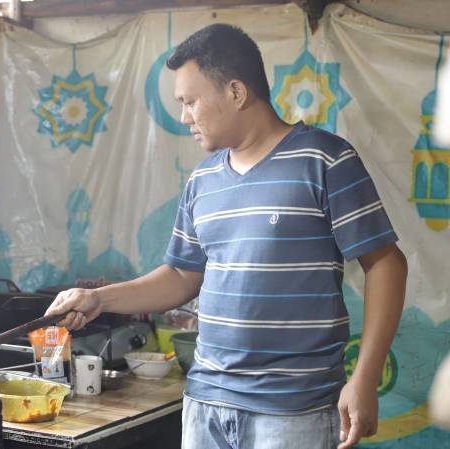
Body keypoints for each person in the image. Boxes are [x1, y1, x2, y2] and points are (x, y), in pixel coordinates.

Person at [45, 24, 407, 449]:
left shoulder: (324, 159)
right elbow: (181, 275)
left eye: (190, 101)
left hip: (293, 409)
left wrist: (364, 377)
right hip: (206, 403)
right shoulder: (202, 181)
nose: (184, 117)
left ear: (236, 92)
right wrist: (98, 299)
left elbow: (387, 264)